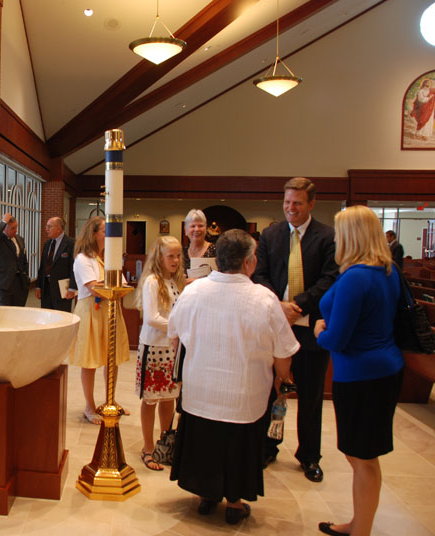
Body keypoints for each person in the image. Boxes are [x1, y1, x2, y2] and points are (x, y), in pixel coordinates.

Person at [168, 229, 299, 525]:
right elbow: (284, 350)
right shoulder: (264, 298)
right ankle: (234, 502)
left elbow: (174, 334)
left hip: (201, 389)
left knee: (205, 440)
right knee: (238, 445)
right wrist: (282, 379)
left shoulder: (194, 291)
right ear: (250, 262)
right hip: (244, 393)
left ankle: (205, 496)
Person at [314, 206, 405, 536]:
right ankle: (359, 522)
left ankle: (361, 530)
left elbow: (338, 338)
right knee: (362, 456)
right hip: (384, 368)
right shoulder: (387, 270)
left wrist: (320, 331)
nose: (335, 238)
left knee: (362, 457)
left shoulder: (355, 277)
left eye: (339, 232)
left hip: (361, 375)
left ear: (350, 236)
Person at [252, 177, 338, 483]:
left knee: (311, 396)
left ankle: (309, 456)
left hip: (310, 329)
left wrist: (297, 305)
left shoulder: (327, 236)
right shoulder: (271, 234)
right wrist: (279, 307)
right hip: (275, 327)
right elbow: (259, 275)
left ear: (311, 204)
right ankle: (267, 447)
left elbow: (330, 278)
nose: (291, 208)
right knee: (271, 391)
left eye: (297, 203)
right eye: (287, 202)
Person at [71, 216, 130, 424]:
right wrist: (108, 286)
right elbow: (93, 287)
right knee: (90, 361)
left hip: (110, 310)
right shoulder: (83, 259)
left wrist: (109, 286)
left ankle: (110, 401)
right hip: (92, 311)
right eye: (105, 230)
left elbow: (121, 286)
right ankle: (89, 406)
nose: (108, 234)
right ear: (94, 233)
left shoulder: (110, 257)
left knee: (111, 359)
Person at [133, 236, 185, 471]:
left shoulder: (174, 281)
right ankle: (147, 447)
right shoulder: (153, 281)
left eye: (178, 255)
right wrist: (179, 327)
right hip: (154, 347)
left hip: (172, 348)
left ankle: (165, 443)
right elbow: (152, 318)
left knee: (169, 398)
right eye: (170, 255)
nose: (175, 260)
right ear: (159, 257)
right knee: (151, 399)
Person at [0, 213, 29, 306]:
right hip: (2, 284)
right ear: (4, 228)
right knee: (3, 315)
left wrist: (26, 277)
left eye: (16, 227)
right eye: (13, 228)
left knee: (18, 314)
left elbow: (24, 260)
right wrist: (3, 222)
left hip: (19, 283)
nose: (15, 231)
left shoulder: (20, 239)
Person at [35, 216, 77, 311]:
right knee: (46, 317)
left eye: (49, 227)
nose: (46, 229)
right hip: (46, 289)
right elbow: (42, 267)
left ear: (58, 228)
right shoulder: (47, 244)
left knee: (62, 317)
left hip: (62, 290)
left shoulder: (71, 244)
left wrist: (72, 288)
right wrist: (38, 286)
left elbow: (74, 268)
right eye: (46, 226)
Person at [182, 209, 216, 278]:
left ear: (206, 229)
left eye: (200, 226)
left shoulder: (216, 250)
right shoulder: (181, 252)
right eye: (193, 226)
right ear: (186, 230)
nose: (197, 229)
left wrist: (196, 282)